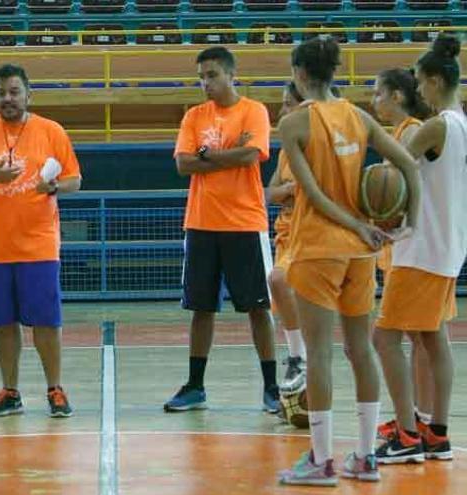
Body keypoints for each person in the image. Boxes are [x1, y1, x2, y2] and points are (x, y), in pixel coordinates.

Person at [276, 37, 420, 486]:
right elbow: (409, 167)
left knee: (318, 353)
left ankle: (321, 461)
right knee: (360, 350)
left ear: (299, 73)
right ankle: (365, 457)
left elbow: (313, 196)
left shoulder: (294, 124)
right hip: (361, 253)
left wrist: (356, 226)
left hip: (319, 247)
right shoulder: (358, 116)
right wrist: (407, 225)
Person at [0, 64, 81, 418]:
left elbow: (74, 180)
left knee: (45, 322)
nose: (7, 99)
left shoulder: (51, 131)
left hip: (38, 245)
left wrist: (52, 186)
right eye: (1, 93)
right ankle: (10, 392)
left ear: (28, 94)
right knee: (3, 324)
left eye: (13, 91)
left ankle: (55, 388)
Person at [168, 46, 280, 413]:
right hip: (201, 222)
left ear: (232, 75)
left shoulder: (254, 111)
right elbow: (184, 165)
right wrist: (225, 154)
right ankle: (195, 385)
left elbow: (252, 155)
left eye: (212, 75)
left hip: (245, 222)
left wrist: (206, 157)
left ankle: (271, 386)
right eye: (201, 76)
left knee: (258, 308)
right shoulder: (193, 117)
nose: (206, 83)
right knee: (201, 308)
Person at [373, 35, 465, 465]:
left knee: (384, 337)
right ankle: (437, 431)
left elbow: (393, 167)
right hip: (447, 247)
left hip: (421, 248)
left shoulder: (436, 125)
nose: (418, 90)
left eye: (420, 83)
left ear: (431, 82)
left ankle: (407, 433)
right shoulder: (461, 123)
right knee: (433, 339)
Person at [368, 68, 437, 443]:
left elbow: (404, 189)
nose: (373, 100)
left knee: (413, 338)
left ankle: (418, 419)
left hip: (414, 247)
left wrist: (387, 214)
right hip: (401, 248)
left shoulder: (412, 130)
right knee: (417, 338)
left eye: (378, 93)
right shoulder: (399, 133)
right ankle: (414, 415)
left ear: (397, 96)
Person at [266, 81, 310, 392]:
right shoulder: (286, 151)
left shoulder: (321, 144)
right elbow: (270, 192)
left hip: (312, 233)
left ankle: (301, 356)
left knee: (279, 281)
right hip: (286, 232)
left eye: (287, 104)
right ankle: (299, 360)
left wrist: (300, 191)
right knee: (281, 288)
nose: (281, 111)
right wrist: (289, 190)